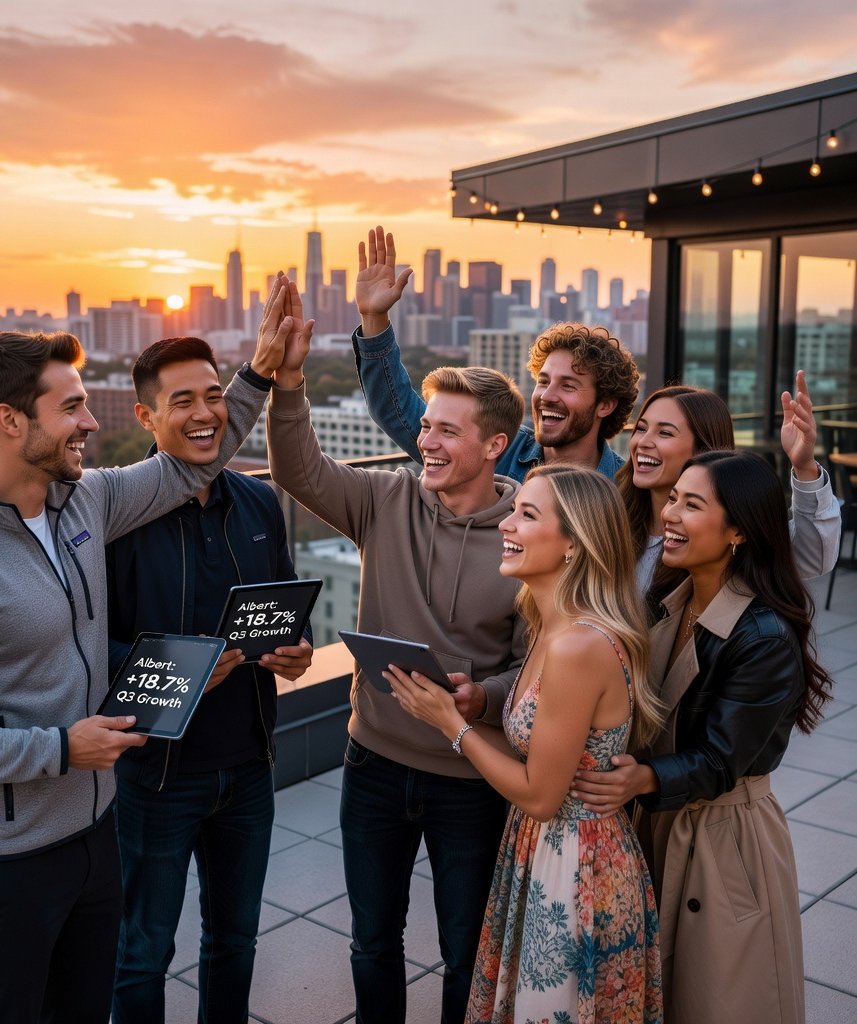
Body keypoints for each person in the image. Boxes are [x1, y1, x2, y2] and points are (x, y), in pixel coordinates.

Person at [0, 294, 292, 1024]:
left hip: (94, 832)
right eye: (71, 408)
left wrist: (256, 373)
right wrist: (61, 749)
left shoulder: (85, 503)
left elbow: (193, 465)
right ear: (11, 420)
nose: (91, 423)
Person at [266, 277, 527, 1024]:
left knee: (465, 950)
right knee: (372, 941)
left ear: (494, 446)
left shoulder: (528, 532)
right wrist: (290, 381)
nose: (426, 441)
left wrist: (483, 697)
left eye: (447, 430)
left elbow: (535, 664)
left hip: (470, 777)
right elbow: (298, 471)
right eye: (427, 426)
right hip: (373, 764)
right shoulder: (387, 499)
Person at [388, 464, 664, 1024]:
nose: (506, 524)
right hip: (545, 852)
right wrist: (470, 707)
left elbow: (540, 796)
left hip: (576, 867)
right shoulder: (550, 626)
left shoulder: (576, 647)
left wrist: (451, 726)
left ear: (573, 544)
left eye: (527, 514)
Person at [573, 450, 833, 1023]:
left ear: (739, 531)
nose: (670, 514)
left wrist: (642, 778)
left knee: (715, 998)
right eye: (673, 499)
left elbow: (719, 759)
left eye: (692, 505)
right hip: (651, 816)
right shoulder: (668, 600)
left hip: (723, 837)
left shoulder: (764, 635)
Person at [106, 336, 314, 1024]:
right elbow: (86, 648)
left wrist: (296, 651)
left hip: (249, 766)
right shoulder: (116, 516)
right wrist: (183, 671)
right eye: (182, 401)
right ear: (146, 416)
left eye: (214, 395)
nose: (204, 413)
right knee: (142, 952)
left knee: (234, 940)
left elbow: (283, 606)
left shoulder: (258, 501)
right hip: (156, 776)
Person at [352, 225, 639, 481]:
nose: (546, 396)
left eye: (568, 385)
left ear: (605, 405)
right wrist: (374, 318)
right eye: (543, 381)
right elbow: (397, 410)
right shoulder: (499, 449)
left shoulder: (626, 491)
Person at [619, 376, 839, 601]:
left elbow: (813, 556)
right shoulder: (611, 514)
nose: (642, 442)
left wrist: (804, 466)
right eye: (641, 428)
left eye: (665, 433)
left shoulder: (732, 531)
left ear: (704, 450)